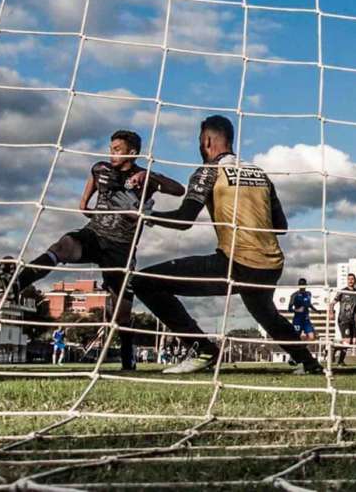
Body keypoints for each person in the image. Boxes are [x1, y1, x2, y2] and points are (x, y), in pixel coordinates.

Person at [130, 115, 323, 375]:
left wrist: (146, 216)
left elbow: (184, 220)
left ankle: (203, 350)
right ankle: (309, 364)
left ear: (207, 141)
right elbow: (281, 226)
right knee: (266, 314)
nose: (199, 146)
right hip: (270, 265)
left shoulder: (208, 172)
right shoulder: (259, 173)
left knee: (144, 282)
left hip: (236, 262)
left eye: (200, 141)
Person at [0, 130, 184, 370]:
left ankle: (128, 361)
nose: (112, 153)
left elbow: (178, 190)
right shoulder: (100, 169)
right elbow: (86, 196)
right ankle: (18, 282)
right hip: (94, 235)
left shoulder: (145, 177)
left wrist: (149, 177)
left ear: (132, 152)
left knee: (122, 313)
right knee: (63, 246)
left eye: (117, 149)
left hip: (121, 249)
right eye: (111, 148)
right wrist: (90, 208)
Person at [329, 273, 356, 366]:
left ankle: (336, 348)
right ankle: (340, 361)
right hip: (343, 319)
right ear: (347, 280)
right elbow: (332, 303)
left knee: (354, 342)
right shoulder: (342, 291)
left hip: (352, 320)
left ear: (355, 280)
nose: (351, 281)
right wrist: (331, 312)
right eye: (349, 279)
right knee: (347, 341)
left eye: (352, 279)